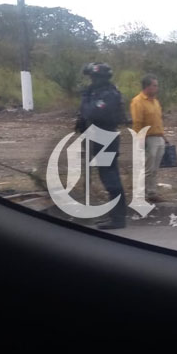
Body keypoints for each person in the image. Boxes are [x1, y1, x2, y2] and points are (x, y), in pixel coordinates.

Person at [75, 62, 128, 230]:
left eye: (93, 77)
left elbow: (91, 112)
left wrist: (85, 97)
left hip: (105, 138)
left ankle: (118, 219)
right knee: (108, 175)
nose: (91, 80)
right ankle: (116, 215)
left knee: (110, 178)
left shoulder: (108, 94)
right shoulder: (100, 92)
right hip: (100, 137)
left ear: (100, 78)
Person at [129, 74, 166, 203]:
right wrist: (140, 140)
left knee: (154, 168)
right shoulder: (138, 101)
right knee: (148, 168)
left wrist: (163, 136)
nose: (157, 88)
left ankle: (151, 192)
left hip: (158, 137)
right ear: (147, 87)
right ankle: (143, 193)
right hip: (148, 139)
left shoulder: (155, 101)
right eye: (154, 85)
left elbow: (158, 120)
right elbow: (137, 123)